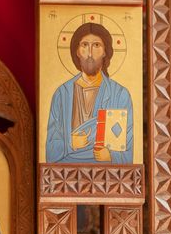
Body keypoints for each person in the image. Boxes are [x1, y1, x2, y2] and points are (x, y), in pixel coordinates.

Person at [45, 21, 133, 163]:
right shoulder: (62, 94)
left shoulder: (120, 95)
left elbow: (129, 153)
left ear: (105, 51)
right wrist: (70, 144)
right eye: (84, 45)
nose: (90, 53)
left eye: (96, 45)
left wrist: (111, 156)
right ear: (77, 51)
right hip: (66, 174)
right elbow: (50, 151)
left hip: (107, 176)